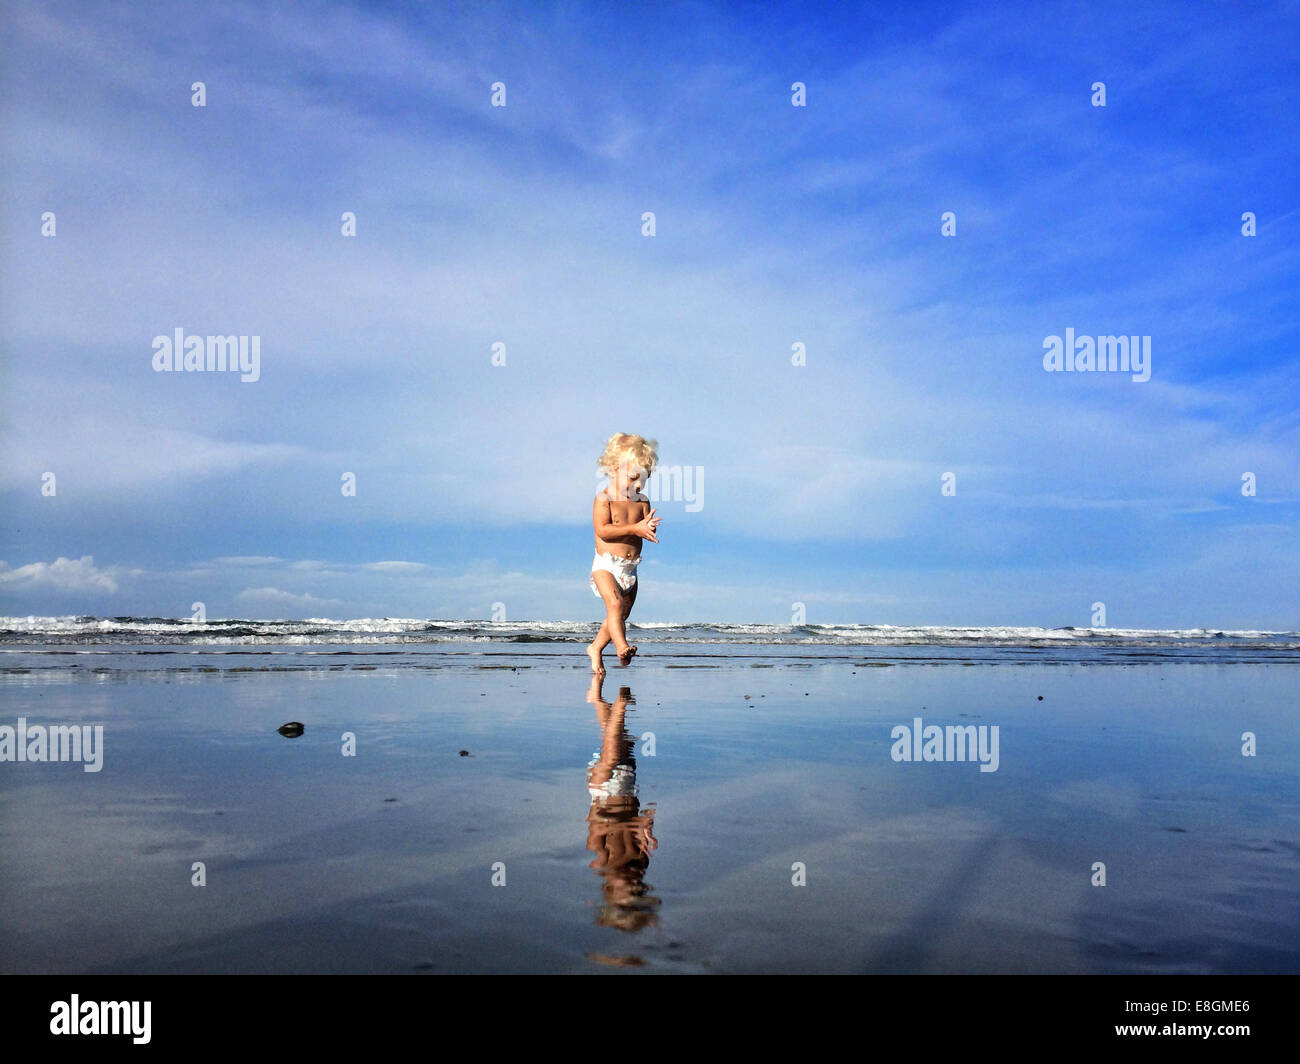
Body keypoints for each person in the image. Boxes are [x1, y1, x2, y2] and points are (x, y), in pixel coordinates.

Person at [587, 433, 660, 673]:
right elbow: (604, 531)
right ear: (612, 469)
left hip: (631, 569)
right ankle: (621, 647)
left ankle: (596, 648)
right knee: (615, 604)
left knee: (620, 614)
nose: (639, 485)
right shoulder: (603, 499)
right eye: (633, 478)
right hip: (606, 566)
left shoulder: (642, 502)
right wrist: (635, 528)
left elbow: (641, 528)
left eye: (644, 479)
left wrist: (647, 529)